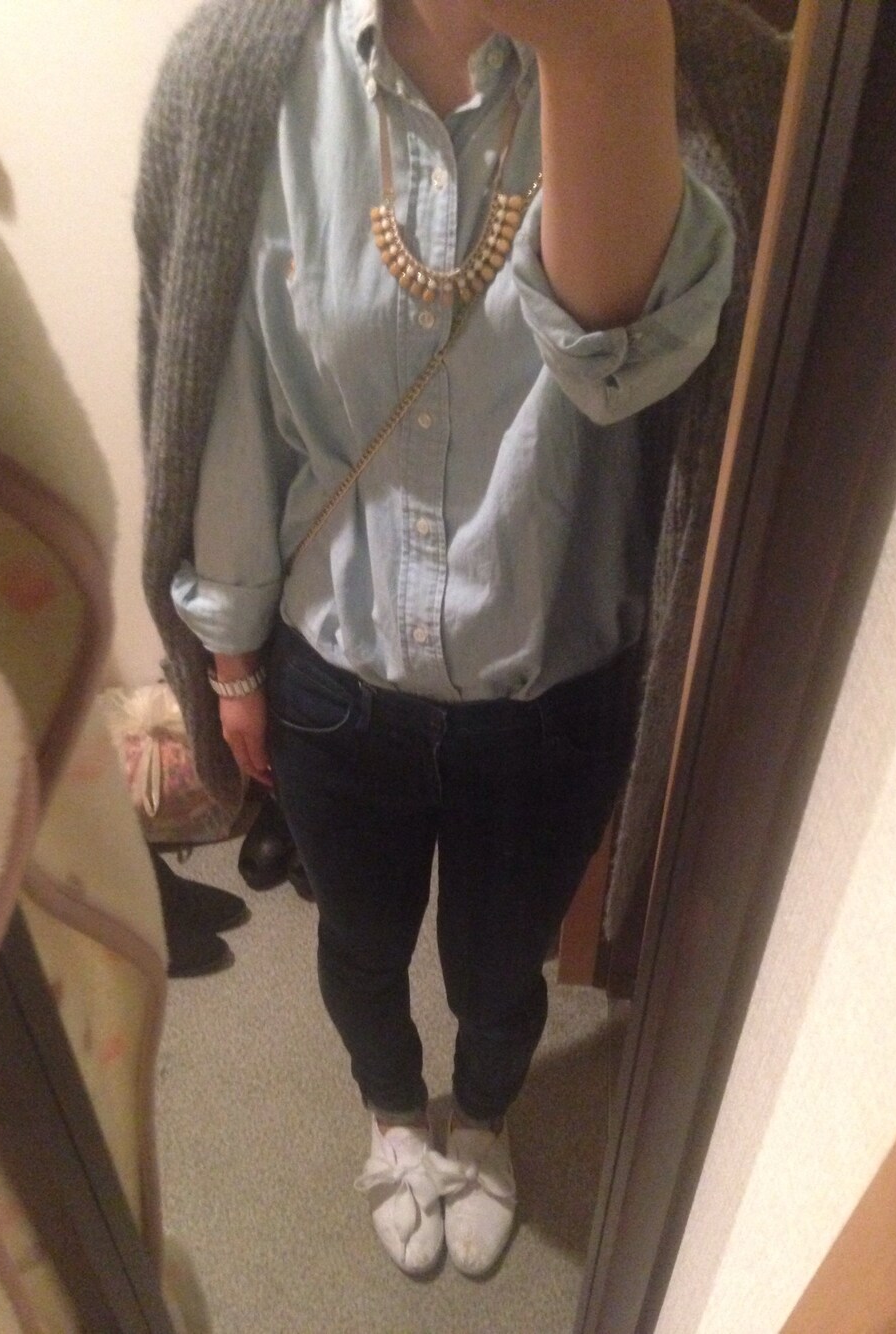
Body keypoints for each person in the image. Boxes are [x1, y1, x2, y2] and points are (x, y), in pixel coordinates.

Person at [137, 0, 733, 1278]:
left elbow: (627, 365)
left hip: (551, 687)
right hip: (333, 680)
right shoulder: (246, 74)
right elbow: (227, 409)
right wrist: (230, 658)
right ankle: (394, 1116)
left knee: (500, 964)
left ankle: (485, 1117)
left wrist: (601, 47)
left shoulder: (670, 58)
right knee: (357, 942)